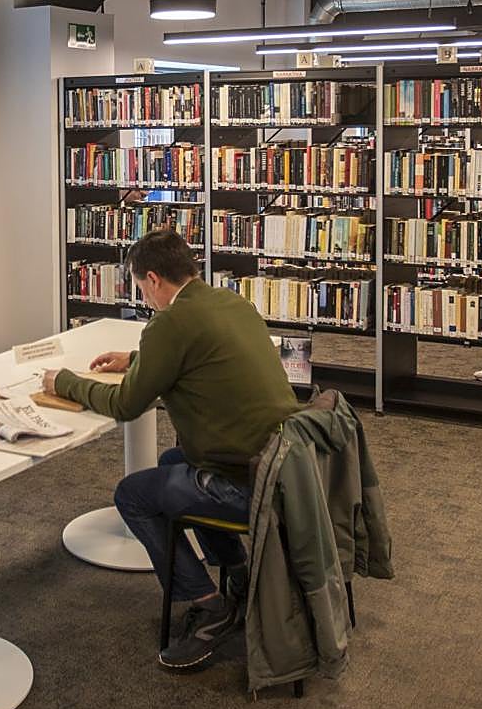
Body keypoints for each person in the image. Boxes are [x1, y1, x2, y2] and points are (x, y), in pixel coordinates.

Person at [42, 229, 299, 670]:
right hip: (287, 466)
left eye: (141, 287)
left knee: (132, 494)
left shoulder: (170, 323)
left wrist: (64, 382)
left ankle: (209, 606)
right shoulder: (230, 302)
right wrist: (137, 358)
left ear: (155, 279)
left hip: (248, 483)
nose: (145, 297)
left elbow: (126, 404)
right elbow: (196, 352)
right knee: (169, 462)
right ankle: (238, 574)